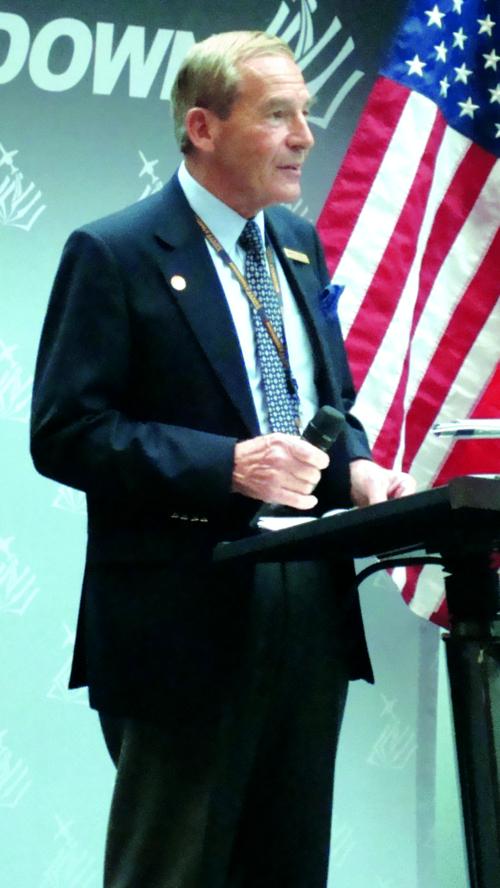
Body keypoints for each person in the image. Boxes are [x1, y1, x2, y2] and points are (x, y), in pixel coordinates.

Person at [31, 30, 415, 888]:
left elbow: (330, 406)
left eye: (305, 114)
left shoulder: (298, 244)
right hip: (184, 622)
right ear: (202, 128)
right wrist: (226, 465)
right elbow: (66, 431)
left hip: (310, 606)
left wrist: (355, 469)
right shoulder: (116, 252)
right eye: (278, 115)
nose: (304, 136)